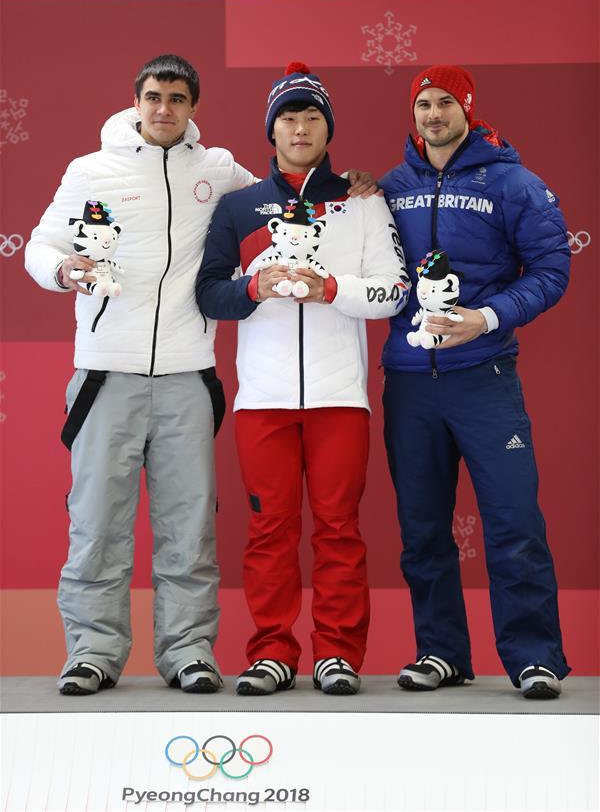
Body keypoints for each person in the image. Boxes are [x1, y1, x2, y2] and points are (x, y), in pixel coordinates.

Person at [24, 54, 377, 697]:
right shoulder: (90, 170)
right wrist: (62, 270)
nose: (164, 109)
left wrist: (344, 184)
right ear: (136, 101)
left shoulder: (218, 172)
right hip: (106, 372)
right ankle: (92, 652)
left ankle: (188, 651)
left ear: (194, 108)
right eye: (154, 96)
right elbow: (39, 246)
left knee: (190, 526)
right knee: (97, 522)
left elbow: (284, 190)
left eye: (178, 99)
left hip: (190, 375)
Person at [196, 62, 409, 697]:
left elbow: (396, 292)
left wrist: (335, 289)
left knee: (339, 528)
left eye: (312, 115)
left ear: (327, 127)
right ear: (272, 128)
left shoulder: (364, 200)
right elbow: (209, 294)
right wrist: (252, 289)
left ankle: (337, 654)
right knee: (269, 530)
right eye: (288, 116)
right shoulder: (238, 207)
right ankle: (271, 653)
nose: (300, 126)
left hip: (340, 397)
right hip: (263, 400)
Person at [379, 64, 571, 699]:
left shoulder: (513, 182)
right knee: (422, 528)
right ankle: (440, 653)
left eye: (444, 104)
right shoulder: (388, 187)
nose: (432, 115)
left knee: (513, 522)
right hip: (409, 382)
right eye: (422, 105)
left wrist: (486, 318)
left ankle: (534, 657)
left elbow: (550, 268)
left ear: (468, 107)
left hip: (484, 377)